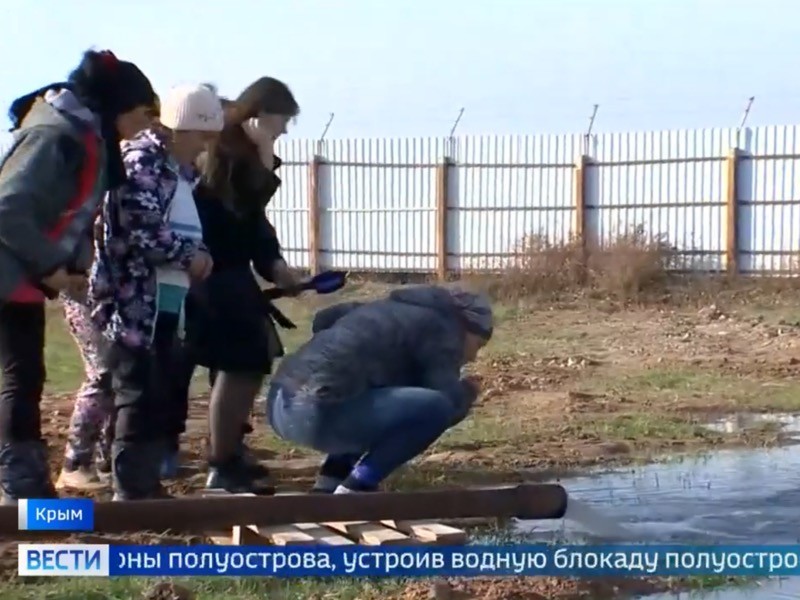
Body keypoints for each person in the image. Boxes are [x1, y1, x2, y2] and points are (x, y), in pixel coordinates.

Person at [0, 49, 157, 504]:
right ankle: (19, 488)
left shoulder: (84, 137)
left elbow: (68, 213)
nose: (144, 127)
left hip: (20, 273)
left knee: (26, 374)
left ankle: (25, 486)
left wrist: (76, 261)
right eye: (142, 114)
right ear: (118, 106)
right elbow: (7, 208)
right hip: (10, 272)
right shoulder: (55, 137)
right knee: (20, 376)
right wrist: (51, 266)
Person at [90, 84, 223, 500]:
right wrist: (188, 255)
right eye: (202, 135)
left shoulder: (175, 169)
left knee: (155, 391)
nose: (205, 146)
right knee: (136, 391)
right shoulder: (142, 161)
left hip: (162, 299)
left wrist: (198, 253)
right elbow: (141, 228)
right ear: (182, 127)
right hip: (133, 300)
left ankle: (143, 482)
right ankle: (130, 490)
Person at [169, 77, 302, 493]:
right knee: (239, 362)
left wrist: (274, 265)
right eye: (282, 121)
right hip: (212, 275)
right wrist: (264, 160)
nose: (284, 130)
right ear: (261, 114)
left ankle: (227, 452)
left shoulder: (241, 153)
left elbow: (254, 223)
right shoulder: (225, 153)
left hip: (227, 273)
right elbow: (233, 216)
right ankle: (219, 463)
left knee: (243, 362)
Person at [265, 285, 493, 494]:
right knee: (437, 407)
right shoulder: (443, 329)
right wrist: (467, 392)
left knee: (370, 395)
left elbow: (324, 318)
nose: (474, 356)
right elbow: (447, 403)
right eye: (478, 345)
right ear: (466, 326)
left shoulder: (384, 308)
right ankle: (358, 486)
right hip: (317, 414)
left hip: (279, 403)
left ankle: (329, 484)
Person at [56, 97, 161, 492]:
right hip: (85, 286)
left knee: (117, 372)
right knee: (101, 371)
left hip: (110, 288)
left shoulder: (123, 170)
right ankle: (75, 461)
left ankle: (105, 457)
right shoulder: (104, 171)